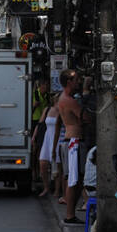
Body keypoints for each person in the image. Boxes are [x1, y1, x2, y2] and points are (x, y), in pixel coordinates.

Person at [57, 71, 85, 223]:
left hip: (70, 140)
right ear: (69, 82)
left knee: (74, 178)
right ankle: (70, 215)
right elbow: (85, 117)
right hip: (74, 141)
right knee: (73, 179)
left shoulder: (63, 98)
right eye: (76, 80)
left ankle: (70, 213)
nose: (78, 82)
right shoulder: (69, 100)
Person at [36, 92, 61, 198]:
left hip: (58, 138)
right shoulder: (47, 109)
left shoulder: (61, 111)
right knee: (43, 163)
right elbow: (40, 124)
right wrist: (34, 137)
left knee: (57, 166)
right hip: (47, 137)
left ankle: (57, 190)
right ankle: (46, 187)